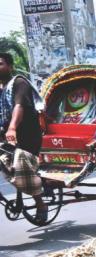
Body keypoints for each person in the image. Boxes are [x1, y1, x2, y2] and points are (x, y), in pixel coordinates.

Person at [0, 52, 48, 223]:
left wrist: (12, 127)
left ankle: (41, 203)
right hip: (6, 137)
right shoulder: (1, 88)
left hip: (27, 137)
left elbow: (19, 106)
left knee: (20, 164)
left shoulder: (19, 83)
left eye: (1, 64)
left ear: (10, 66)